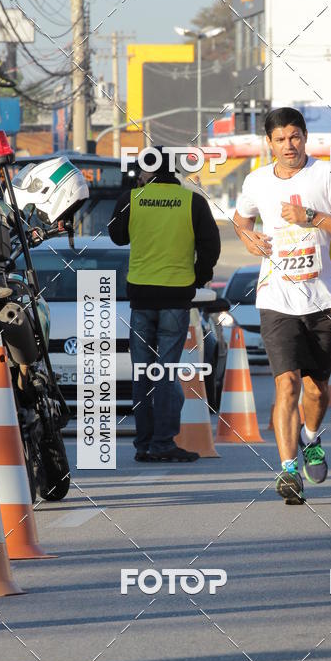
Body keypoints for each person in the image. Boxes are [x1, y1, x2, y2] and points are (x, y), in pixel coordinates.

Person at [233, 106, 331, 504]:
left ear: (305, 137)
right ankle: (289, 470)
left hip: (325, 299)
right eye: (280, 139)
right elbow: (241, 221)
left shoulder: (330, 175)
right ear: (269, 144)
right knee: (286, 384)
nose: (288, 145)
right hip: (276, 298)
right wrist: (247, 238)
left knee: (317, 390)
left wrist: (312, 216)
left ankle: (311, 438)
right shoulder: (256, 181)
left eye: (295, 136)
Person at [109, 149, 221, 462]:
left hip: (141, 298)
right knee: (166, 372)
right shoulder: (192, 202)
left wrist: (131, 196)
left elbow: (116, 237)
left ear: (147, 170)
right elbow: (211, 245)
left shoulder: (132, 199)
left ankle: (144, 444)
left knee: (142, 372)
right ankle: (162, 444)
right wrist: (199, 276)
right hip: (175, 296)